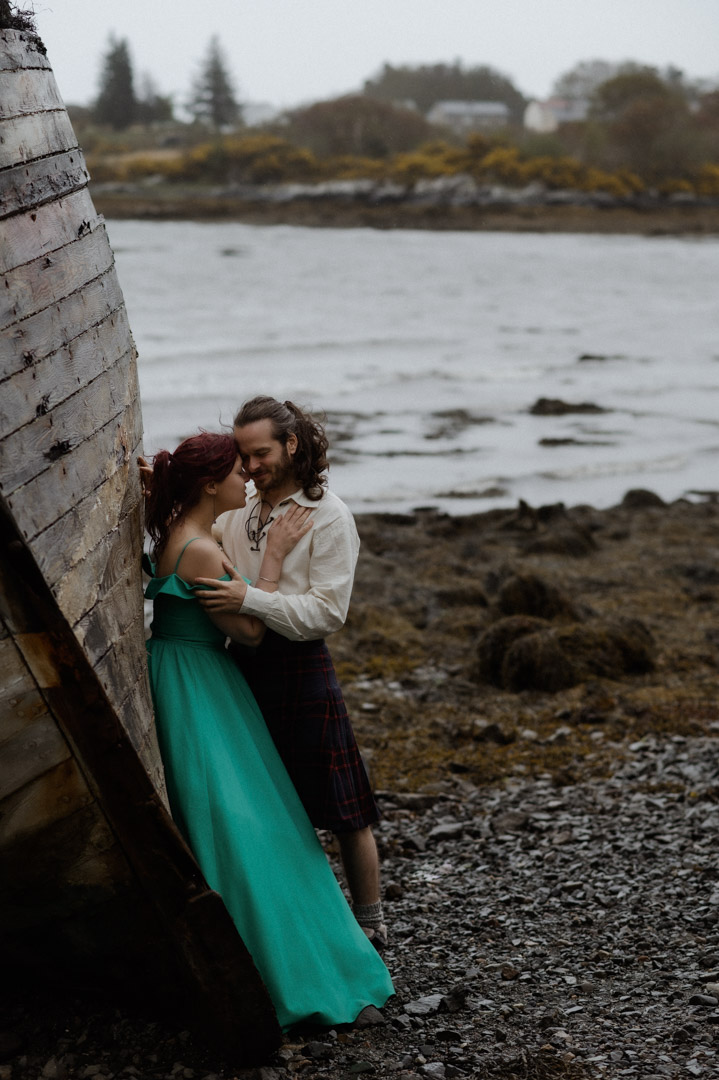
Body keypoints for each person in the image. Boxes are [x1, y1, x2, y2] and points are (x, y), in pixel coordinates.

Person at [143, 431, 393, 1031]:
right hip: (201, 676)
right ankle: (281, 959)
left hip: (180, 667)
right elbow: (251, 634)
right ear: (210, 484)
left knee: (225, 808)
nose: (247, 479)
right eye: (236, 470)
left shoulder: (180, 526)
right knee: (243, 818)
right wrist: (274, 561)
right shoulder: (202, 547)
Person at [194, 397, 387, 951]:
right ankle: (298, 920)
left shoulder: (330, 517)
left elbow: (327, 614)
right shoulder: (239, 512)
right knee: (266, 803)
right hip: (240, 669)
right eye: (243, 457)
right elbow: (199, 548)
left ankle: (371, 924)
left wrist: (252, 599)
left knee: (345, 808)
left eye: (261, 454)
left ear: (292, 445)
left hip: (302, 668)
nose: (252, 467)